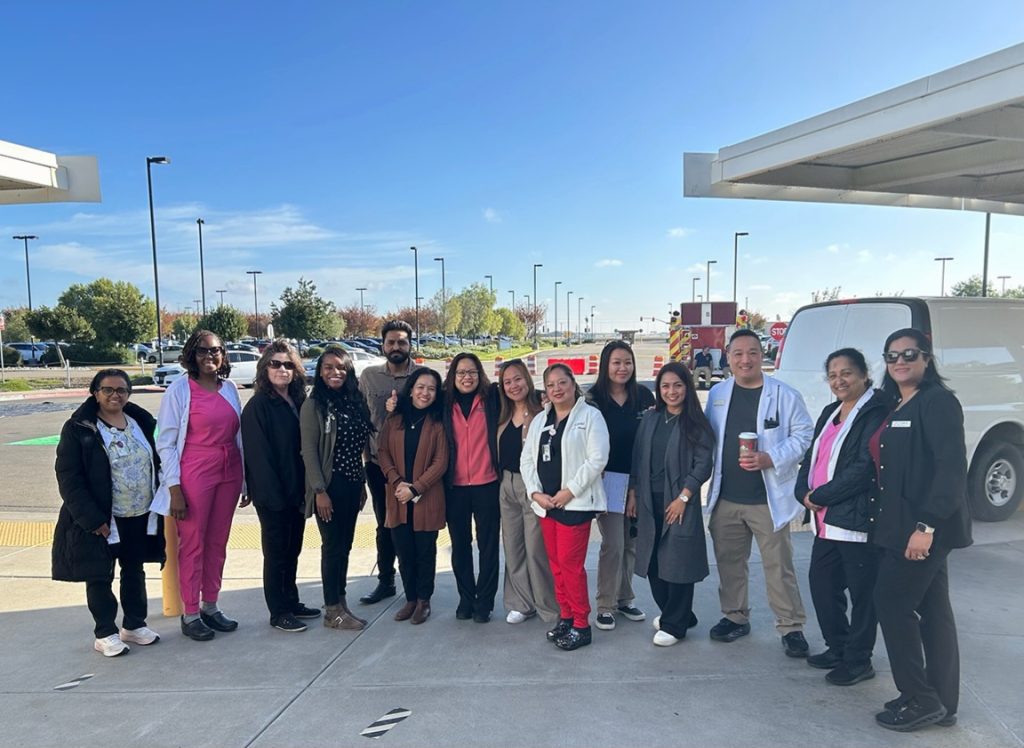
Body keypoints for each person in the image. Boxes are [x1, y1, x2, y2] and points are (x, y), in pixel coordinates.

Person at [871, 328, 971, 732]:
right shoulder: (899, 403)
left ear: (927, 359)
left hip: (923, 529)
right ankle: (942, 702)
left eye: (909, 353)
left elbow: (951, 469)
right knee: (933, 613)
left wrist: (926, 526)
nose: (900, 361)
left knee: (891, 604)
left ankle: (921, 698)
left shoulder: (938, 402)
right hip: (902, 525)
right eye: (892, 355)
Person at [704, 328, 813, 657]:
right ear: (728, 358)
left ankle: (791, 626)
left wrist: (771, 458)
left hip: (767, 499)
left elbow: (804, 434)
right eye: (737, 354)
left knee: (778, 566)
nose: (745, 359)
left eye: (752, 352)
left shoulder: (784, 394)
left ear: (760, 355)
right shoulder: (718, 394)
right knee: (729, 563)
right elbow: (708, 435)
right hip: (727, 497)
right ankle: (735, 617)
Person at [53, 370, 167, 657]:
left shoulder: (140, 421)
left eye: (121, 390)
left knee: (134, 570)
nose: (115, 395)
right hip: (102, 518)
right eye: (108, 390)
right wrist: (92, 519)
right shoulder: (80, 428)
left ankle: (134, 624)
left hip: (139, 513)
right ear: (95, 393)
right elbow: (69, 477)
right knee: (100, 575)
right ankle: (105, 632)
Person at [794, 348, 892, 684]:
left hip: (855, 519)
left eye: (847, 373)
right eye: (833, 375)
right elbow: (812, 457)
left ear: (864, 374)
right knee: (822, 585)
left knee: (862, 593)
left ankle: (859, 660)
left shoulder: (876, 412)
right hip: (825, 520)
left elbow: (864, 468)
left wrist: (820, 496)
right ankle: (838, 646)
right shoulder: (830, 411)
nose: (839, 380)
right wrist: (801, 491)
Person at [157, 330, 245, 642]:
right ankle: (190, 612)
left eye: (216, 350)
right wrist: (174, 488)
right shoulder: (180, 390)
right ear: (191, 355)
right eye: (203, 351)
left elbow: (238, 436)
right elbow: (165, 442)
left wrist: (244, 480)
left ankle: (211, 604)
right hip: (195, 470)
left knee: (218, 542)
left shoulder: (230, 388)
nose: (210, 356)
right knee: (192, 543)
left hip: (229, 469)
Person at [521, 363, 610, 651]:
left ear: (574, 384)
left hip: (575, 504)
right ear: (545, 390)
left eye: (562, 382)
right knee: (556, 565)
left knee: (571, 566)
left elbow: (597, 459)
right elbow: (527, 460)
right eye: (551, 385)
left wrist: (568, 492)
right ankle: (567, 617)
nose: (557, 389)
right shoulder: (540, 421)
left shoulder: (590, 416)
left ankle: (582, 625)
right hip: (547, 505)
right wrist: (536, 493)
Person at [627, 362, 715, 647]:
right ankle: (678, 615)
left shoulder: (696, 424)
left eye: (677, 385)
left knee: (677, 563)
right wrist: (633, 493)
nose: (671, 391)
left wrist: (684, 498)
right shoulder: (652, 419)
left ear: (687, 387)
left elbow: (703, 465)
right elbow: (637, 458)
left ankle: (675, 625)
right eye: (665, 386)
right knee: (653, 562)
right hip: (649, 500)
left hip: (678, 501)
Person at [241, 340, 320, 633]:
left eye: (288, 364)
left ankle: (292, 599)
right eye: (275, 363)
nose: (282, 369)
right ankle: (278, 611)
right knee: (276, 553)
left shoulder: (298, 401)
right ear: (264, 369)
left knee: (293, 549)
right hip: (273, 495)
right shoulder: (258, 406)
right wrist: (275, 497)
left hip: (297, 491)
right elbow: (259, 457)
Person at [300, 346, 374, 631]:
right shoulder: (314, 405)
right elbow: (308, 451)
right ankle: (332, 610)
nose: (335, 373)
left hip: (352, 483)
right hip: (329, 487)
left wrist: (362, 483)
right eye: (329, 367)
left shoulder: (353, 401)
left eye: (341, 367)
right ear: (320, 372)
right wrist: (319, 491)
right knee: (332, 547)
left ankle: (340, 603)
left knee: (345, 546)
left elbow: (360, 446)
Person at [587, 340, 655, 631]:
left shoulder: (643, 396)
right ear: (605, 365)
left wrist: (637, 487)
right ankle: (605, 604)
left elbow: (651, 441)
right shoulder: (593, 399)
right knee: (613, 544)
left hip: (639, 479)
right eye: (616, 362)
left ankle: (624, 597)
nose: (622, 368)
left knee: (631, 544)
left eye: (627, 362)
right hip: (608, 480)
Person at [378, 368, 449, 625]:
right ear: (411, 389)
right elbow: (382, 450)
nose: (425, 393)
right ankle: (409, 599)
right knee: (404, 552)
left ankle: (423, 600)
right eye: (420, 387)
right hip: (397, 497)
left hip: (426, 497)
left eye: (431, 388)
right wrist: (397, 482)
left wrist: (416, 488)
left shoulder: (438, 422)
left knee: (424, 552)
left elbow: (441, 462)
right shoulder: (394, 419)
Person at [358, 320, 419, 605]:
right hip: (377, 464)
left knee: (416, 523)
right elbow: (360, 417)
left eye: (402, 342)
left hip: (414, 464)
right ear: (383, 345)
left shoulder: (422, 375)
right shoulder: (369, 377)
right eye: (391, 342)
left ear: (410, 345)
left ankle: (418, 583)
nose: (396, 347)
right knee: (385, 523)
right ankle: (386, 581)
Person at [496, 359, 558, 624]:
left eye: (518, 379)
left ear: (528, 378)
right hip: (506, 485)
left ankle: (548, 607)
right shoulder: (501, 412)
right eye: (507, 381)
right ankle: (521, 603)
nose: (513, 386)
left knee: (536, 549)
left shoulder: (545, 410)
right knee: (513, 547)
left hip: (533, 487)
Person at [442, 352, 501, 622]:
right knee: (461, 545)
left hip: (487, 484)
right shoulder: (443, 403)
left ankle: (485, 602)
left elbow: (523, 395)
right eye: (461, 372)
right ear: (453, 376)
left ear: (480, 375)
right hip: (455, 487)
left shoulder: (492, 399)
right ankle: (466, 598)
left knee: (488, 546)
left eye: (472, 372)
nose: (467, 377)